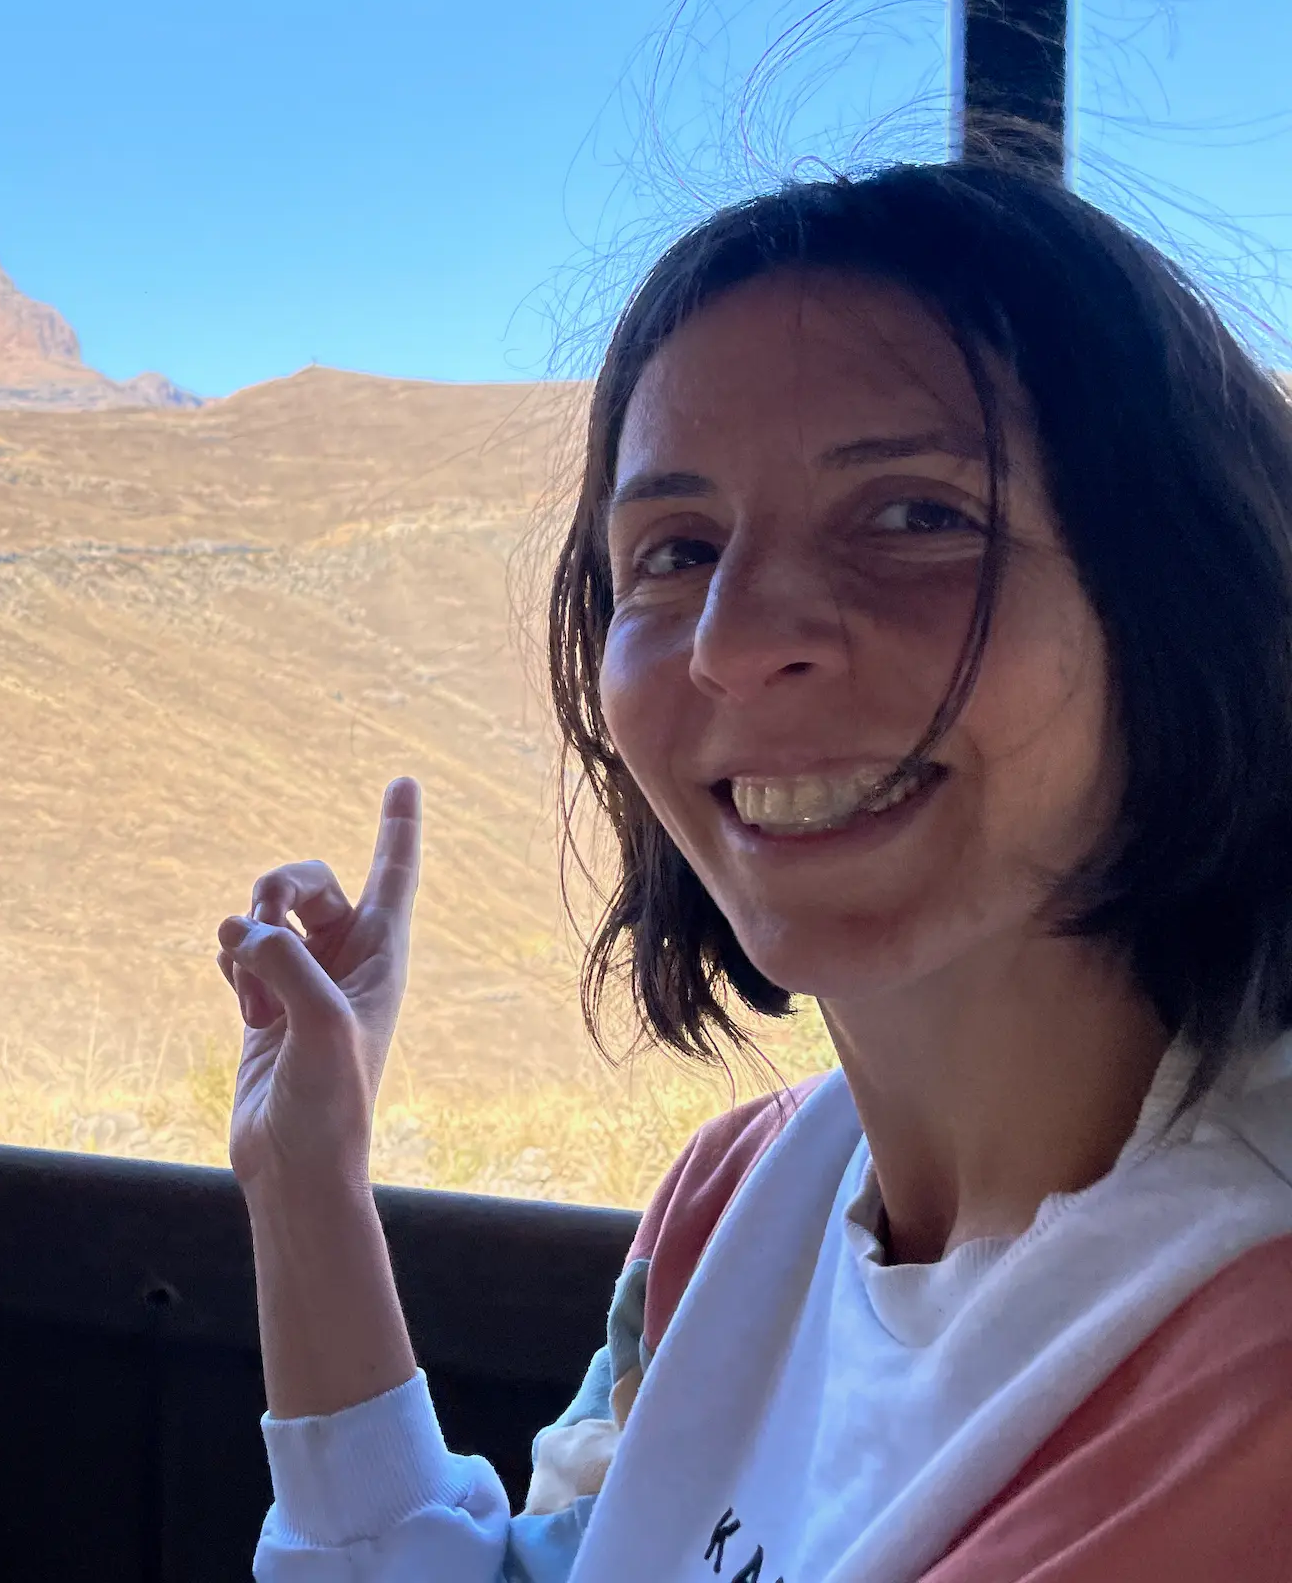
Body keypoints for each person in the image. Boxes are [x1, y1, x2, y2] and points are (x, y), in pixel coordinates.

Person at [216, 161, 1292, 1583]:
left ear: (1182, 598)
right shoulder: (732, 1198)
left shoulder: (1239, 1373)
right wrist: (306, 1184)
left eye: (916, 516)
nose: (735, 639)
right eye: (675, 550)